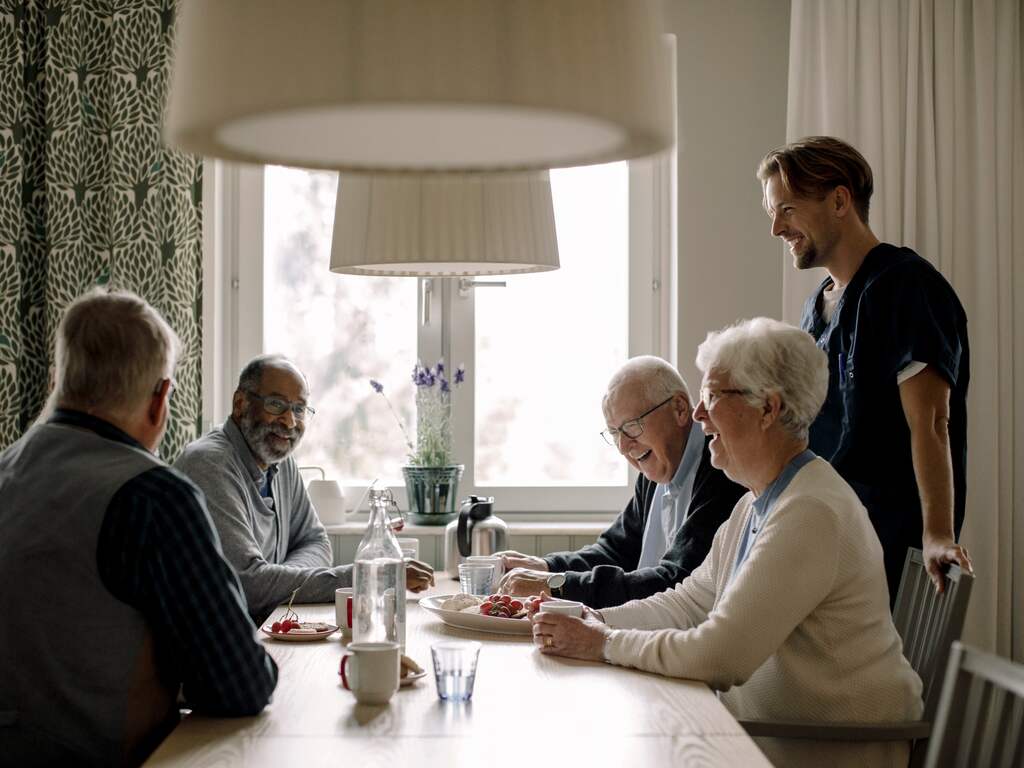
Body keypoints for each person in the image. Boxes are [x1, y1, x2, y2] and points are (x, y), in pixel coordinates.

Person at [531, 318, 923, 768]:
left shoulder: (810, 511)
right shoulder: (756, 503)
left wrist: (601, 642)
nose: (699, 414)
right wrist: (592, 616)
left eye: (713, 396)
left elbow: (720, 656)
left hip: (827, 748)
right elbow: (685, 603)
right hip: (761, 733)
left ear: (768, 408)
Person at [0, 290, 277, 767]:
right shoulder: (153, 497)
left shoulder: (6, 470)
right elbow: (241, 684)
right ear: (161, 399)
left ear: (57, 381)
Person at [757, 136, 972, 601]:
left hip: (886, 544)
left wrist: (938, 533)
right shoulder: (817, 305)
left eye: (787, 209)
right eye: (771, 212)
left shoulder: (905, 286)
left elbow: (932, 422)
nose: (776, 227)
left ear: (839, 200)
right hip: (826, 533)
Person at [175, 354, 433, 623]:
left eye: (299, 409)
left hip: (264, 629)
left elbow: (317, 543)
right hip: (208, 649)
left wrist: (275, 583)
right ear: (240, 404)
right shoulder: (210, 463)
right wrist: (371, 576)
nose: (289, 421)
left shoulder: (279, 461)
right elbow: (249, 587)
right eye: (276, 404)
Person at [497, 356, 744, 609]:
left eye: (632, 426)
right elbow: (616, 551)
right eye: (615, 433)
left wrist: (557, 584)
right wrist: (546, 567)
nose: (624, 447)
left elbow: (675, 582)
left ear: (680, 409)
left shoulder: (720, 470)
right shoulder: (658, 466)